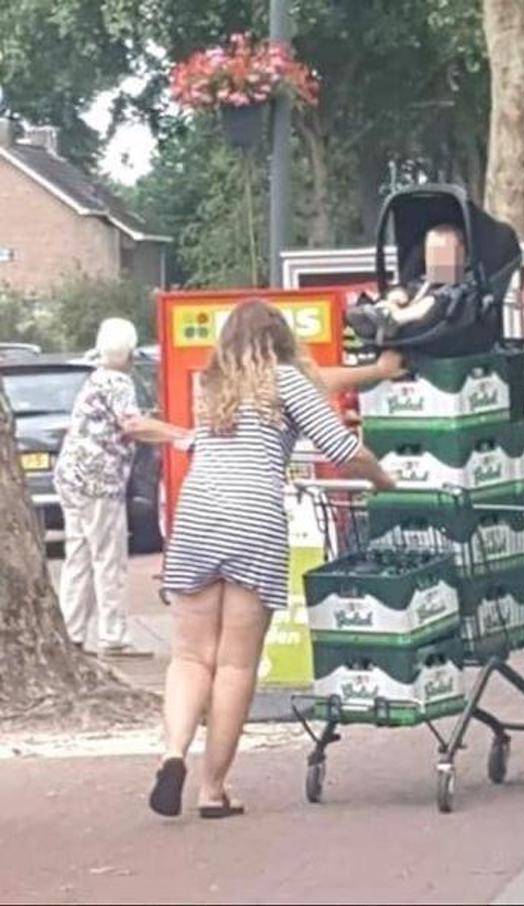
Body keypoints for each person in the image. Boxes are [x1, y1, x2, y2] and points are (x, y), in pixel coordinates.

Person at [149, 299, 395, 819]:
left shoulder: (212, 385)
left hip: (197, 515)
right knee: (236, 663)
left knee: (191, 655)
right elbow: (340, 447)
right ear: (280, 340)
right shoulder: (286, 381)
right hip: (253, 520)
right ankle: (212, 790)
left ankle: (173, 755)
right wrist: (383, 481)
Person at [54, 318, 190, 658]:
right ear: (128, 350)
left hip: (72, 477)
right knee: (109, 559)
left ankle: (71, 633)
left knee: (79, 556)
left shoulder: (96, 379)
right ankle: (113, 635)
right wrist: (181, 435)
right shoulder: (119, 382)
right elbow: (133, 424)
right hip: (100, 482)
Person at [347, 224, 467, 338]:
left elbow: (452, 300)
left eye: (443, 252)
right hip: (411, 329)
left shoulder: (465, 281)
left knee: (433, 301)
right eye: (432, 252)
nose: (436, 258)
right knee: (394, 298)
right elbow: (408, 288)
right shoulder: (423, 281)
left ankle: (391, 319)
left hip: (444, 328)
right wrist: (398, 294)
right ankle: (377, 315)